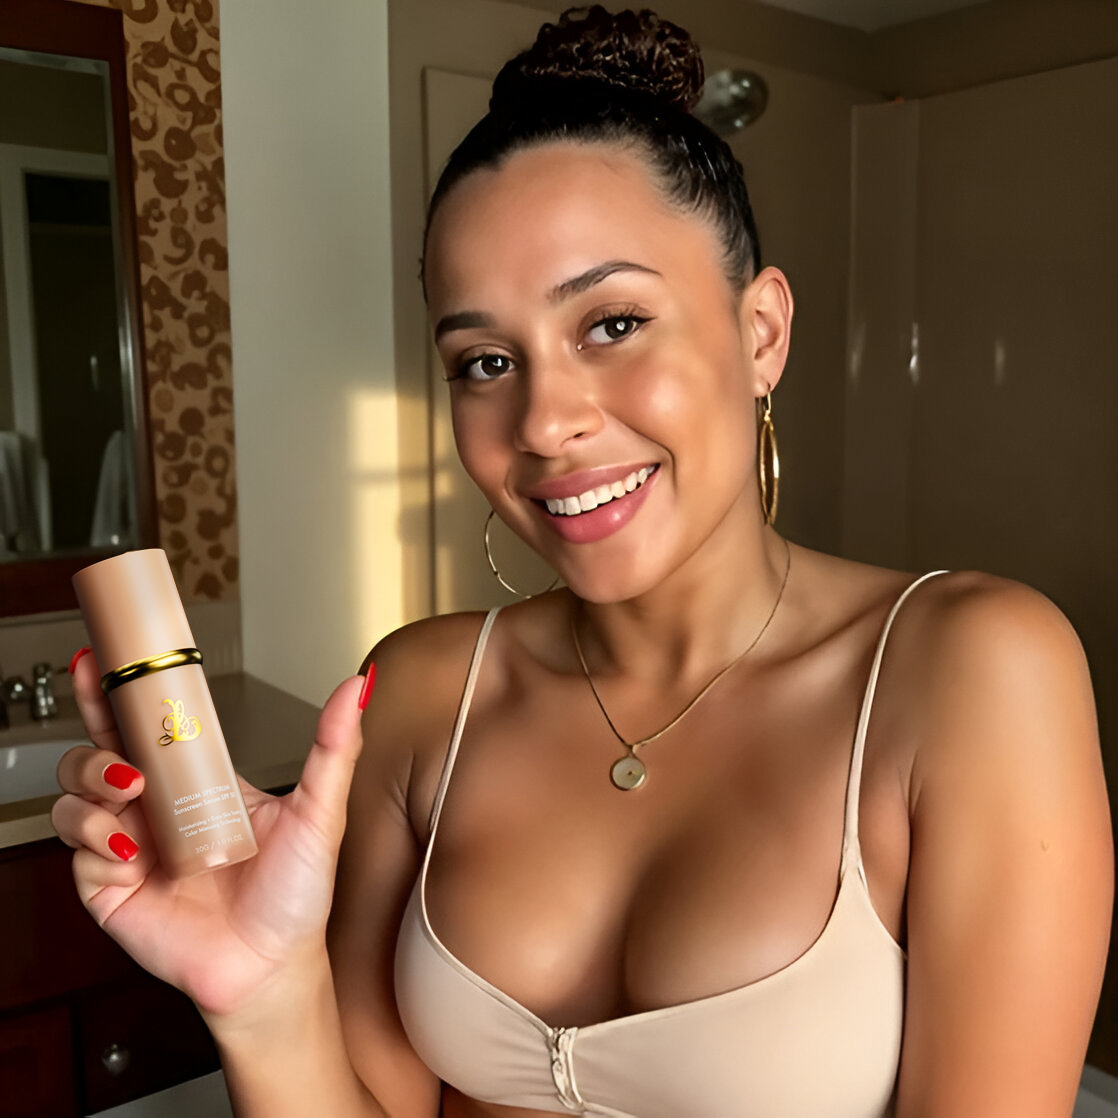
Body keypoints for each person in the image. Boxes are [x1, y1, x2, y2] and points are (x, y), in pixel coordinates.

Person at [53, 8, 1112, 1116]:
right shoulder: (419, 693)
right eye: (485, 360)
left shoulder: (971, 672)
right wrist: (265, 999)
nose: (544, 421)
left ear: (760, 332)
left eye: (611, 323)